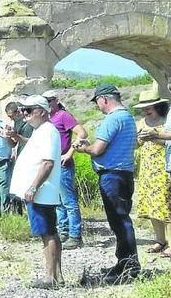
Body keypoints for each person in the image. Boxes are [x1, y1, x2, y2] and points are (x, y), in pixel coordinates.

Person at [73, 84, 140, 282]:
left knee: (120, 221)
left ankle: (129, 267)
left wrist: (84, 148)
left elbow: (98, 149)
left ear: (104, 99)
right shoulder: (128, 117)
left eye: (97, 102)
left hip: (112, 175)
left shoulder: (113, 119)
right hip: (124, 174)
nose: (98, 106)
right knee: (122, 220)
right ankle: (124, 264)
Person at [10, 95, 63, 289]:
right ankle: (57, 276)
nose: (24, 114)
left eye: (28, 110)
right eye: (23, 110)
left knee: (47, 233)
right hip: (40, 192)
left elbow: (47, 163)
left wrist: (33, 187)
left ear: (41, 111)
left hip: (42, 192)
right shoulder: (41, 131)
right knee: (49, 232)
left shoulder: (48, 131)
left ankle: (51, 278)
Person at [43, 90, 87, 249]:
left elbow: (82, 133)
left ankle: (75, 235)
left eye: (49, 100)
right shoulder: (47, 118)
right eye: (45, 101)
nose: (47, 103)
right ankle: (63, 231)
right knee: (59, 201)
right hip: (52, 163)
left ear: (55, 100)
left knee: (68, 201)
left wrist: (70, 152)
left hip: (62, 164)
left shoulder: (63, 115)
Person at [130, 90, 171, 258]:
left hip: (163, 166)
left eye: (149, 107)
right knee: (152, 204)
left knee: (166, 204)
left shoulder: (166, 121)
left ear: (157, 106)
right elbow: (135, 144)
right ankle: (160, 240)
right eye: (144, 108)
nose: (146, 110)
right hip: (146, 169)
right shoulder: (141, 122)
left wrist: (157, 138)